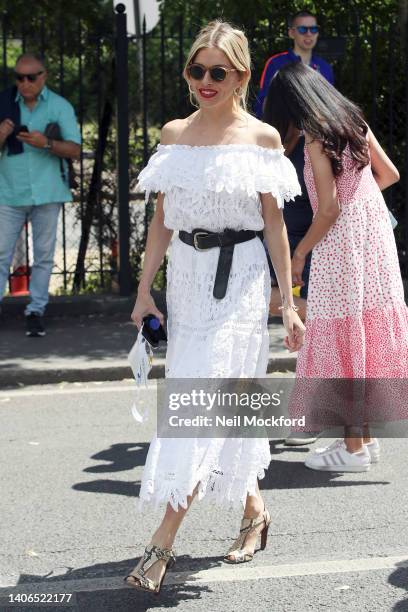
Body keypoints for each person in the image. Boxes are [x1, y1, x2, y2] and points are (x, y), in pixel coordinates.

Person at [124, 20, 304, 594]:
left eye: (217, 71)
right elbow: (161, 221)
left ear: (241, 76)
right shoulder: (174, 134)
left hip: (243, 280)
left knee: (204, 402)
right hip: (189, 277)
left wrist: (290, 302)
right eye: (195, 69)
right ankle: (255, 512)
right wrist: (143, 288)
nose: (204, 80)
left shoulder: (262, 139)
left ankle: (161, 543)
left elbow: (275, 225)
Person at [266, 62, 408, 471]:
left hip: (341, 244)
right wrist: (358, 201)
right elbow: (390, 174)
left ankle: (353, 449)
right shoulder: (353, 121)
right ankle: (362, 441)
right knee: (362, 328)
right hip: (375, 236)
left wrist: (299, 253)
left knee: (342, 332)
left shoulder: (314, 138)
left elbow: (327, 210)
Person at [0, 53, 81, 336]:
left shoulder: (59, 106)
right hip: (8, 192)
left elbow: (75, 149)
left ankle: (36, 309)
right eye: (19, 78)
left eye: (30, 77)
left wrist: (45, 142)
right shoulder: (5, 103)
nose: (24, 83)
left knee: (44, 256)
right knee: (0, 253)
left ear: (43, 76)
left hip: (48, 191)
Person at [255, 9, 334, 119]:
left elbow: (330, 106)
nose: (309, 34)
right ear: (291, 33)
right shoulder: (275, 63)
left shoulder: (325, 67)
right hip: (283, 132)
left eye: (313, 29)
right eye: (303, 29)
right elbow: (262, 104)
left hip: (317, 133)